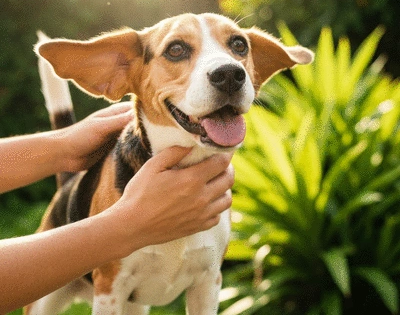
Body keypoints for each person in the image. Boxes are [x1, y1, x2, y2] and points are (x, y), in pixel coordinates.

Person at [0, 102, 234, 313]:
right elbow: (109, 281)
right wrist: (124, 228)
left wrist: (64, 146)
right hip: (82, 248)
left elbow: (208, 277)